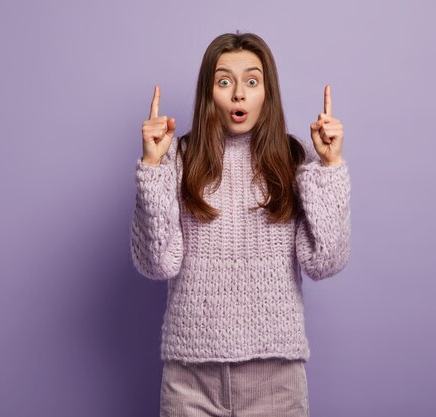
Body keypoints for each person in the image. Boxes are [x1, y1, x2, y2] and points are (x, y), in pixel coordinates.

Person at [130, 32, 350, 417]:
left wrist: (329, 168)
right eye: (224, 81)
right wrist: (153, 168)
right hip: (190, 379)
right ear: (208, 92)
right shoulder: (177, 158)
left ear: (268, 92)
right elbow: (156, 263)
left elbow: (324, 262)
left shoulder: (294, 157)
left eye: (252, 81)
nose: (238, 95)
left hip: (277, 379)